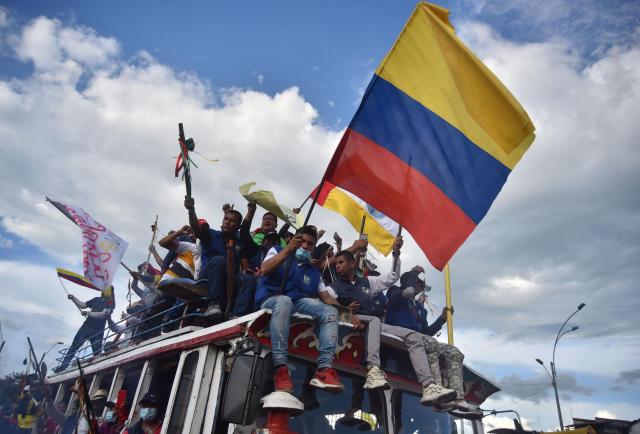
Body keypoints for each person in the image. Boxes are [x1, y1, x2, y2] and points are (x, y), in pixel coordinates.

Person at [327, 242, 457, 406]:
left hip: (372, 323)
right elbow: (324, 302)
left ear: (352, 263)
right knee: (374, 320)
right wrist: (345, 312)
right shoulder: (335, 286)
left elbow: (392, 277)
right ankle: (373, 369)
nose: (337, 266)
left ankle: (429, 386)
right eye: (336, 263)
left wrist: (396, 254)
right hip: (350, 319)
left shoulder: (366, 282)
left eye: (341, 262)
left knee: (414, 336)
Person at [254, 225, 344, 393]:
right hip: (270, 300)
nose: (304, 246)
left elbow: (327, 298)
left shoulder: (313, 271)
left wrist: (350, 315)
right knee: (285, 301)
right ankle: (280, 368)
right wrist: (287, 250)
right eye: (301, 241)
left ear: (313, 247)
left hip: (298, 303)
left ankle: (324, 370)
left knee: (330, 312)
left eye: (310, 244)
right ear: (293, 239)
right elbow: (265, 269)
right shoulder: (277, 250)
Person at [385, 268, 481, 418]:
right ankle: (436, 393)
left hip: (420, 339)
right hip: (397, 335)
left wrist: (442, 319)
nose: (420, 286)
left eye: (421, 284)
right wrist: (414, 272)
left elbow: (426, 332)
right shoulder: (396, 294)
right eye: (417, 282)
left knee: (454, 352)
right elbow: (407, 291)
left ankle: (458, 398)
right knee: (431, 343)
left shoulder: (420, 309)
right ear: (408, 282)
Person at [185, 197, 243, 320]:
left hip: (229, 279)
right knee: (219, 260)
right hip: (208, 278)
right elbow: (196, 228)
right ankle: (213, 304)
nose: (227, 222)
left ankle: (238, 313)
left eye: (232, 221)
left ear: (238, 227)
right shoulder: (211, 234)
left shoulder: (239, 243)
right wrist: (191, 210)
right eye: (226, 219)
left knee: (248, 279)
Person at [56, 287, 115, 371]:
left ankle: (97, 367)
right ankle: (63, 366)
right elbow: (83, 305)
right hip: (86, 327)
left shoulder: (110, 304)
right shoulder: (96, 299)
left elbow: (103, 315)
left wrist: (88, 313)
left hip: (97, 331)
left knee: (96, 351)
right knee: (74, 347)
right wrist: (74, 298)